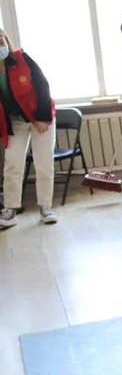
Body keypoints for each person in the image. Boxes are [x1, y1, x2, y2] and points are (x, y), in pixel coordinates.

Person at [0, 29, 56, 228]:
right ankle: (10, 210)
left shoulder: (22, 59)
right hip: (15, 122)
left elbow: (43, 85)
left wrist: (42, 117)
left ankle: (45, 207)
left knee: (43, 163)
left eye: (1, 40)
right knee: (12, 164)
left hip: (40, 117)